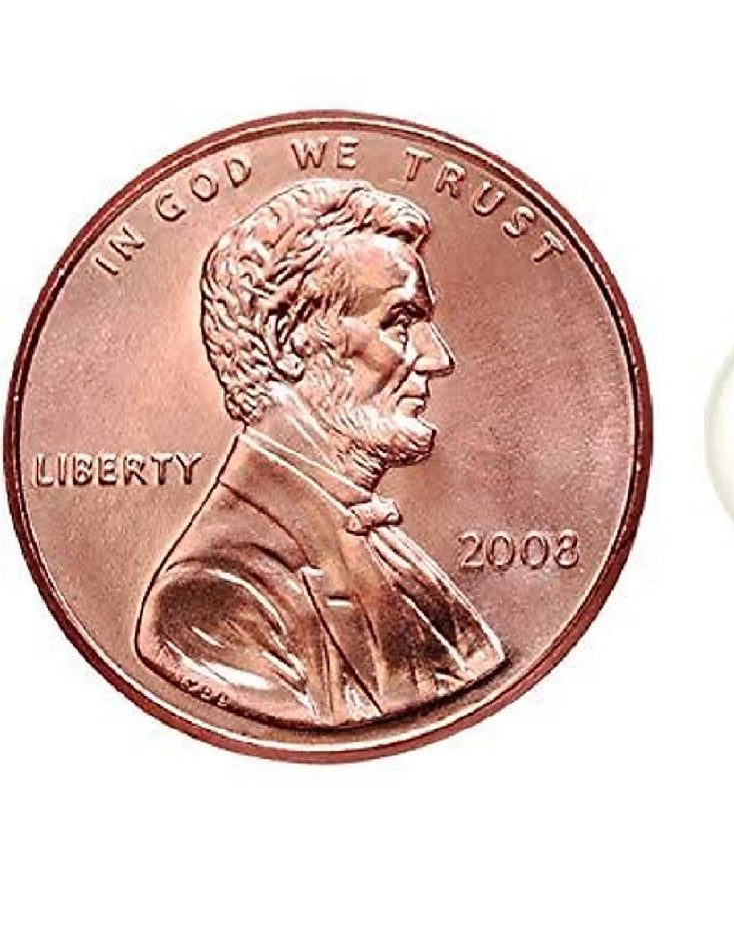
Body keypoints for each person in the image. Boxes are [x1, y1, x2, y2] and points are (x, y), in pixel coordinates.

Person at [135, 179, 505, 728]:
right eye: (401, 322)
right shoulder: (211, 599)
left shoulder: (385, 546)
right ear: (287, 340)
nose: (437, 358)